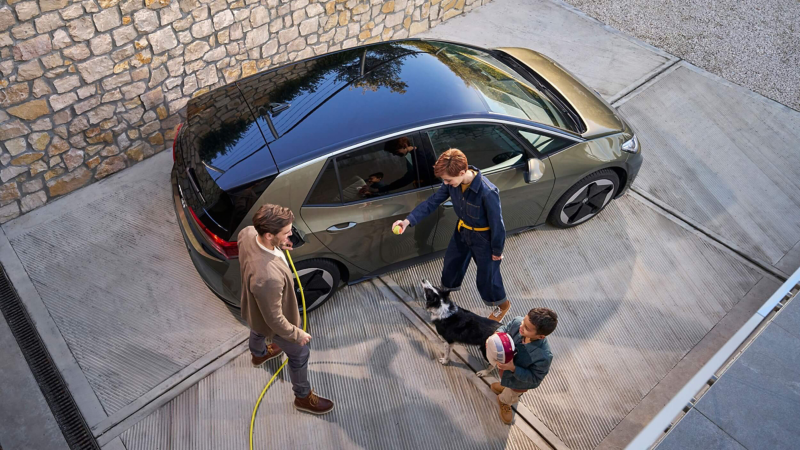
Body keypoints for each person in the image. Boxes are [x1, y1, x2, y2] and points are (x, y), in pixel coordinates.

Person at [392, 149, 511, 321]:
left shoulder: (488, 192)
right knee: (451, 266)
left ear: (462, 172)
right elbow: (432, 202)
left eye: (448, 180)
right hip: (462, 231)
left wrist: (497, 251)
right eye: (444, 180)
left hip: (483, 239)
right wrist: (407, 221)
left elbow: (497, 224)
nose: (446, 183)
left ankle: (502, 304)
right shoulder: (451, 183)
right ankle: (443, 296)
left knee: (487, 277)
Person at [238, 204, 334, 415]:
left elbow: (257, 253)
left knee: (257, 328)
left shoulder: (247, 233)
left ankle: (259, 354)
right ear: (269, 234)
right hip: (274, 320)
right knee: (300, 354)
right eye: (286, 232)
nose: (291, 234)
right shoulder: (268, 277)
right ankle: (302, 397)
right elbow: (274, 319)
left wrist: (280, 246)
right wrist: (295, 334)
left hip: (254, 309)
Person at [491, 308, 557, 424]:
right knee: (505, 382)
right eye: (524, 321)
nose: (521, 326)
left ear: (541, 337)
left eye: (526, 328)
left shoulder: (543, 356)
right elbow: (505, 328)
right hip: (505, 371)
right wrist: (497, 335)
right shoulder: (518, 323)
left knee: (511, 394)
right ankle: (504, 386)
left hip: (518, 383)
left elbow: (535, 378)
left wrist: (513, 368)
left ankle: (504, 401)